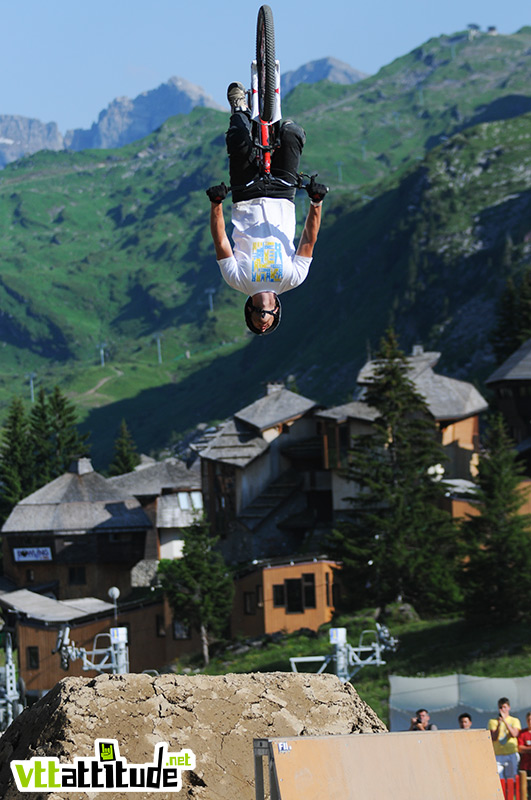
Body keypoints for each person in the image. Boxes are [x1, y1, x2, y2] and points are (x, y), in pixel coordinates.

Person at [207, 82, 328, 335]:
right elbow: (308, 239)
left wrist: (216, 204)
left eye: (255, 324)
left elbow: (221, 242)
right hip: (282, 194)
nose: (262, 324)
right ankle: (280, 120)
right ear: (276, 312)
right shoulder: (292, 279)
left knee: (238, 139)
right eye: (267, 324)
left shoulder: (237, 280)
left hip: (245, 195)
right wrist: (316, 202)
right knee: (291, 134)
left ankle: (240, 109)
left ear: (249, 310)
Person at [488, 696, 521, 778]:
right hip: (498, 754)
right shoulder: (492, 721)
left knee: (511, 777)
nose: (502, 709)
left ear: (509, 708)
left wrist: (505, 721)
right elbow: (494, 737)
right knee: (498, 777)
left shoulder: (514, 720)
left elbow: (514, 734)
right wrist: (499, 724)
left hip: (511, 753)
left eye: (504, 707)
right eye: (500, 707)